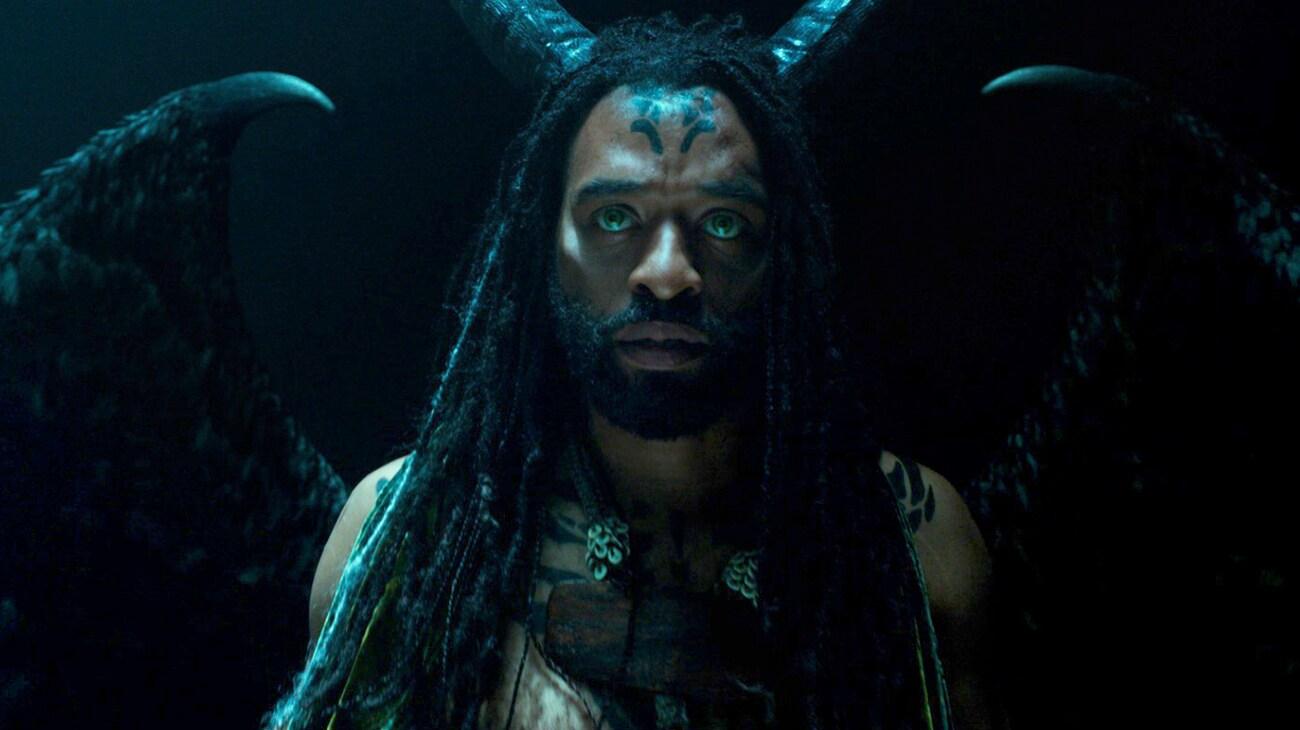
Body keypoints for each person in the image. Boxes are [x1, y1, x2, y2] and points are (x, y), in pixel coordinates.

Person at [271, 15, 992, 729]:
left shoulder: (913, 540)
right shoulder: (402, 540)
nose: (668, 275)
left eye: (724, 223)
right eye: (615, 217)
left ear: (784, 253)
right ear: (544, 243)